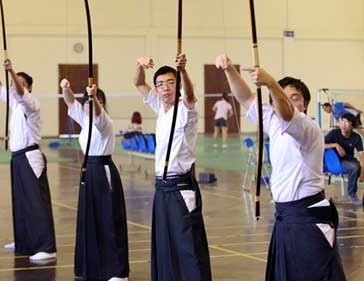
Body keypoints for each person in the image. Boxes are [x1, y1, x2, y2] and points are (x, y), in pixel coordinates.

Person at [216, 54, 346, 281]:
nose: (286, 102)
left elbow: (287, 111)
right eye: (279, 98)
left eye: (294, 97)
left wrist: (270, 83)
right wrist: (229, 71)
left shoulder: (307, 127)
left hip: (308, 220)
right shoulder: (274, 121)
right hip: (286, 217)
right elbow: (246, 98)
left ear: (303, 104)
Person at [134, 54, 211, 281]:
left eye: (170, 82)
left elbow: (189, 95)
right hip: (162, 187)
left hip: (181, 187)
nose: (165, 88)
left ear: (176, 85)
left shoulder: (186, 109)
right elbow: (138, 82)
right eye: (159, 84)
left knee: (187, 245)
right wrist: (140, 64)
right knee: (165, 243)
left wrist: (183, 71)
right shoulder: (161, 107)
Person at [0, 60, 56, 260]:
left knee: (36, 203)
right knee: (21, 203)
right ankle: (24, 240)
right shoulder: (15, 103)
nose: (15, 86)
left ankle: (46, 247)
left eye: (20, 83)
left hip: (30, 156)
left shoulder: (31, 102)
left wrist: (12, 72)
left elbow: (17, 89)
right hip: (17, 158)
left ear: (29, 87)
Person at [61, 79, 129, 281]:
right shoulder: (85, 120)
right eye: (87, 102)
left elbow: (97, 113)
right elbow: (71, 103)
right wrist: (66, 88)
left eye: (95, 101)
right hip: (88, 170)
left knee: (108, 219)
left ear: (101, 102)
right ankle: (90, 266)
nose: (89, 104)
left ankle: (117, 272)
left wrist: (93, 97)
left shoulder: (104, 120)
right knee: (89, 218)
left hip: (103, 170)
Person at [324, 113, 364, 206]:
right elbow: (321, 145)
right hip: (335, 162)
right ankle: (351, 194)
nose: (343, 124)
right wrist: (336, 145)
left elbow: (362, 155)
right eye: (342, 121)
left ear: (352, 125)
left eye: (347, 122)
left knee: (358, 166)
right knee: (354, 167)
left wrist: (362, 173)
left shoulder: (356, 137)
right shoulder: (334, 133)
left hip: (349, 161)